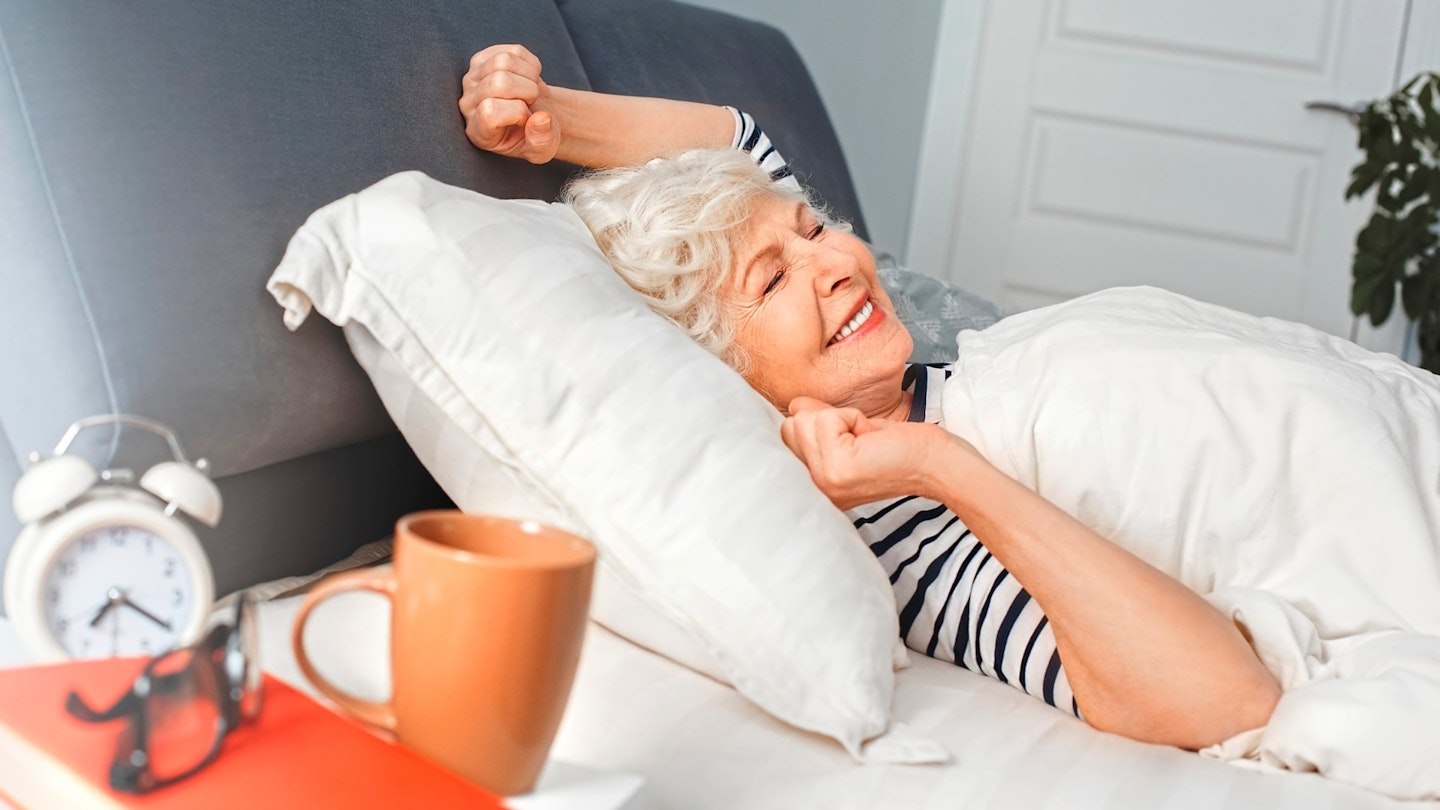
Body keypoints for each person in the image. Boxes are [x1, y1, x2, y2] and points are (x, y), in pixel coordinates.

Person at [456, 44, 1286, 750]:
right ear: (721, 372)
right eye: (775, 278)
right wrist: (937, 463)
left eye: (813, 228)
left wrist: (550, 119)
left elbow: (742, 139)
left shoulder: (925, 372)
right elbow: (1229, 701)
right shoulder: (903, 536)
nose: (838, 263)